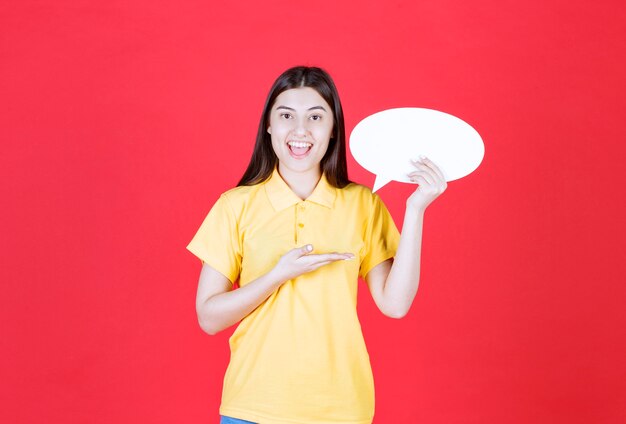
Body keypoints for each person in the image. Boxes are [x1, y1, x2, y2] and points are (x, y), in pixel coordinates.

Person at [186, 66, 447, 424]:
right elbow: (209, 318)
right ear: (268, 126)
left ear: (333, 128)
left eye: (315, 117)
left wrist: (415, 209)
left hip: (342, 409)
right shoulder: (235, 205)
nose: (300, 131)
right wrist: (278, 276)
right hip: (254, 406)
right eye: (286, 116)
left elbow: (395, 304)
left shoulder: (362, 203)